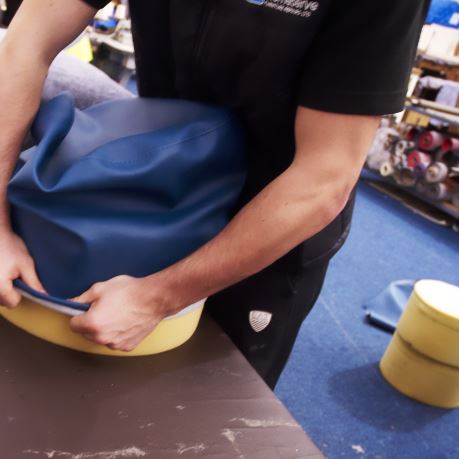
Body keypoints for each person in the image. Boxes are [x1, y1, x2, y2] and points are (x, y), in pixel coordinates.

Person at [0, 0, 430, 388]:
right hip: (160, 177)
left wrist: (159, 297)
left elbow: (324, 177)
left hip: (278, 213)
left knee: (207, 395)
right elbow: (27, 42)